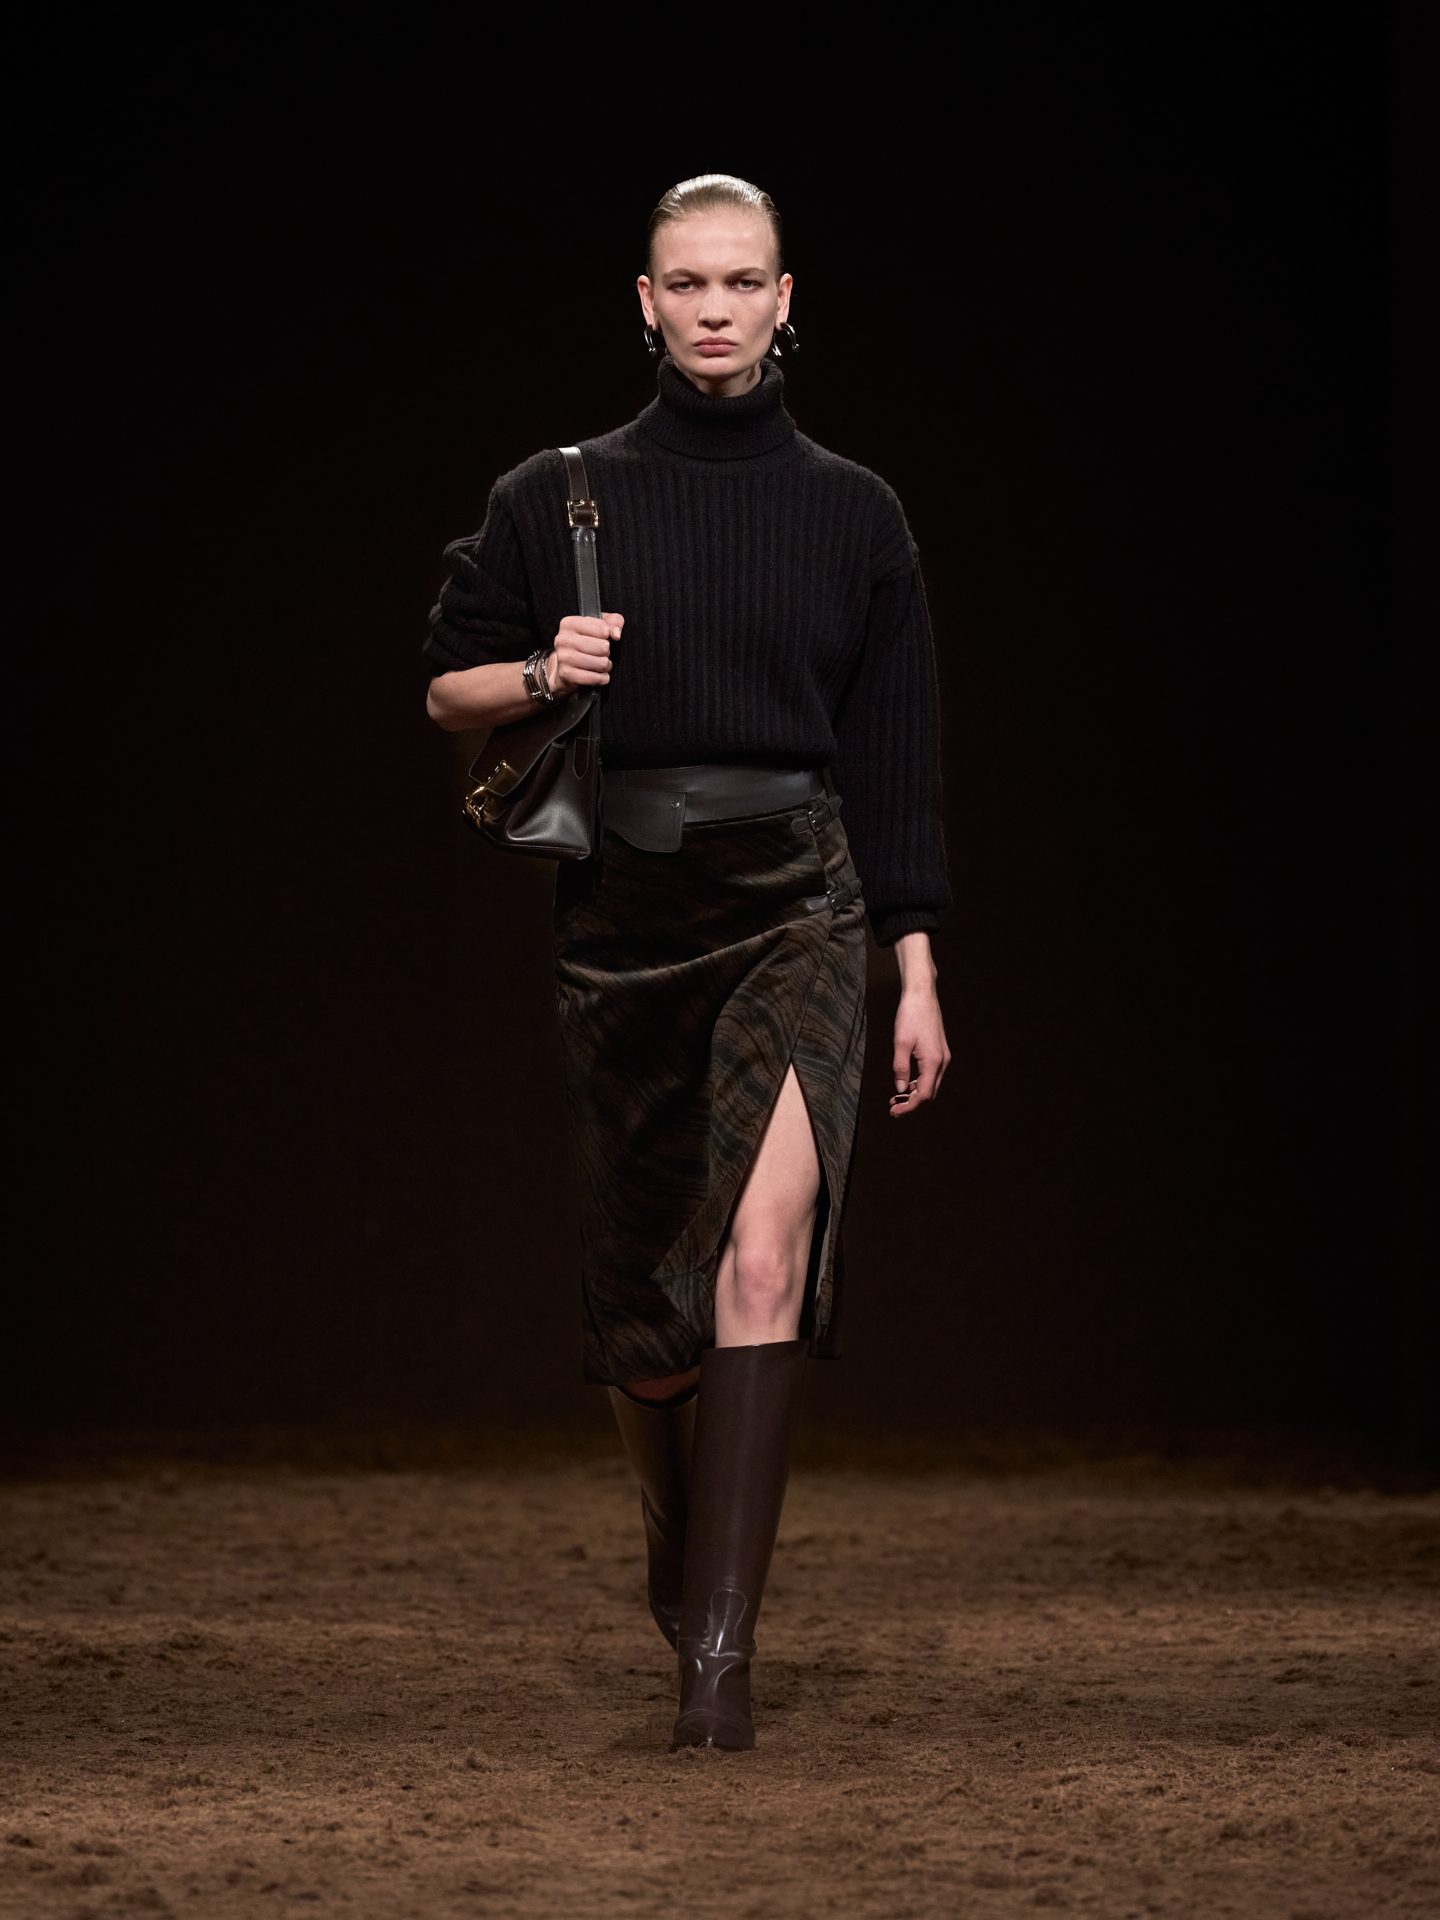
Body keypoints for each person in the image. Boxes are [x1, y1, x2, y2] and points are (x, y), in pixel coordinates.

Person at [423, 174, 952, 1753]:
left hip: (802, 898)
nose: (715, 308)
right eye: (688, 282)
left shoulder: (857, 512)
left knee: (765, 1262)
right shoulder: (559, 493)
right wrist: (542, 667)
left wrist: (916, 964)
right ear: (644, 304)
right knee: (652, 1330)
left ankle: (717, 1662)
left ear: (787, 302)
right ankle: (677, 1540)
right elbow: (444, 689)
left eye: (742, 281)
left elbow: (898, 754)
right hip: (625, 917)